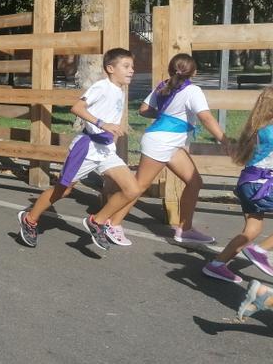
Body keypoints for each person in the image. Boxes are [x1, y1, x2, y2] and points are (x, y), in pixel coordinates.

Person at [16, 48, 141, 250]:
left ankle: (97, 222)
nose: (131, 70)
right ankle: (29, 219)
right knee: (63, 191)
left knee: (132, 189)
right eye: (126, 66)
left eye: (132, 67)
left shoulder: (119, 90)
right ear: (110, 68)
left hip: (105, 150)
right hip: (87, 148)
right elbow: (77, 108)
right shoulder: (102, 86)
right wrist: (102, 124)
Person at [126, 53, 228, 244]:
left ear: (170, 70)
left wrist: (165, 115)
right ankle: (107, 222)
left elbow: (143, 109)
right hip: (162, 142)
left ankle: (185, 229)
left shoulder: (164, 85)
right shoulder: (193, 91)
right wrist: (225, 140)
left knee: (194, 182)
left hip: (169, 142)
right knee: (138, 186)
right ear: (194, 72)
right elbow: (206, 117)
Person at [202, 87, 273, 283]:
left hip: (248, 183)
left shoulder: (256, 127)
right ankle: (260, 251)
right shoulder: (271, 131)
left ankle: (216, 265)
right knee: (253, 233)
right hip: (261, 184)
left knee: (252, 229)